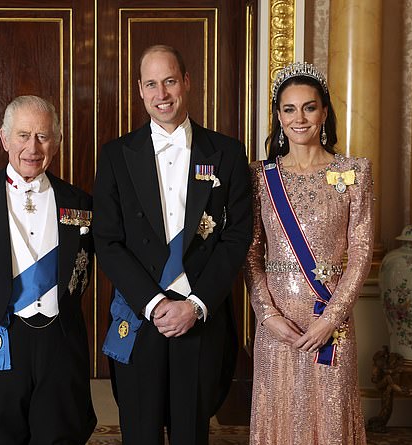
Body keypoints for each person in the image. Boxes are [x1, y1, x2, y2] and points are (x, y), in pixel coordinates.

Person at [93, 44, 252, 445]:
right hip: (141, 313)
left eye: (169, 81)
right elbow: (107, 240)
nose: (161, 94)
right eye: (151, 84)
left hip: (199, 315)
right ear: (140, 91)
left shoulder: (227, 152)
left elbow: (236, 236)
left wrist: (195, 305)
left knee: (191, 434)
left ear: (186, 82)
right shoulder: (115, 155)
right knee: (140, 434)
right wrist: (155, 304)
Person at [0, 95, 96, 445]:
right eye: (23, 135)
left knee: (59, 435)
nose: (33, 147)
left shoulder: (80, 203)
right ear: (4, 139)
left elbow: (82, 274)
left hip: (59, 343)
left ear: (57, 143)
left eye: (43, 136)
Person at [245, 61, 373, 444]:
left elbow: (363, 251)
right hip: (278, 326)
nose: (299, 118)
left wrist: (330, 320)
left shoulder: (354, 171)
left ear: (324, 111)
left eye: (309, 107)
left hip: (331, 325)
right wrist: (267, 316)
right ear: (278, 117)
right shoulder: (260, 176)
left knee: (330, 416)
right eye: (289, 109)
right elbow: (251, 254)